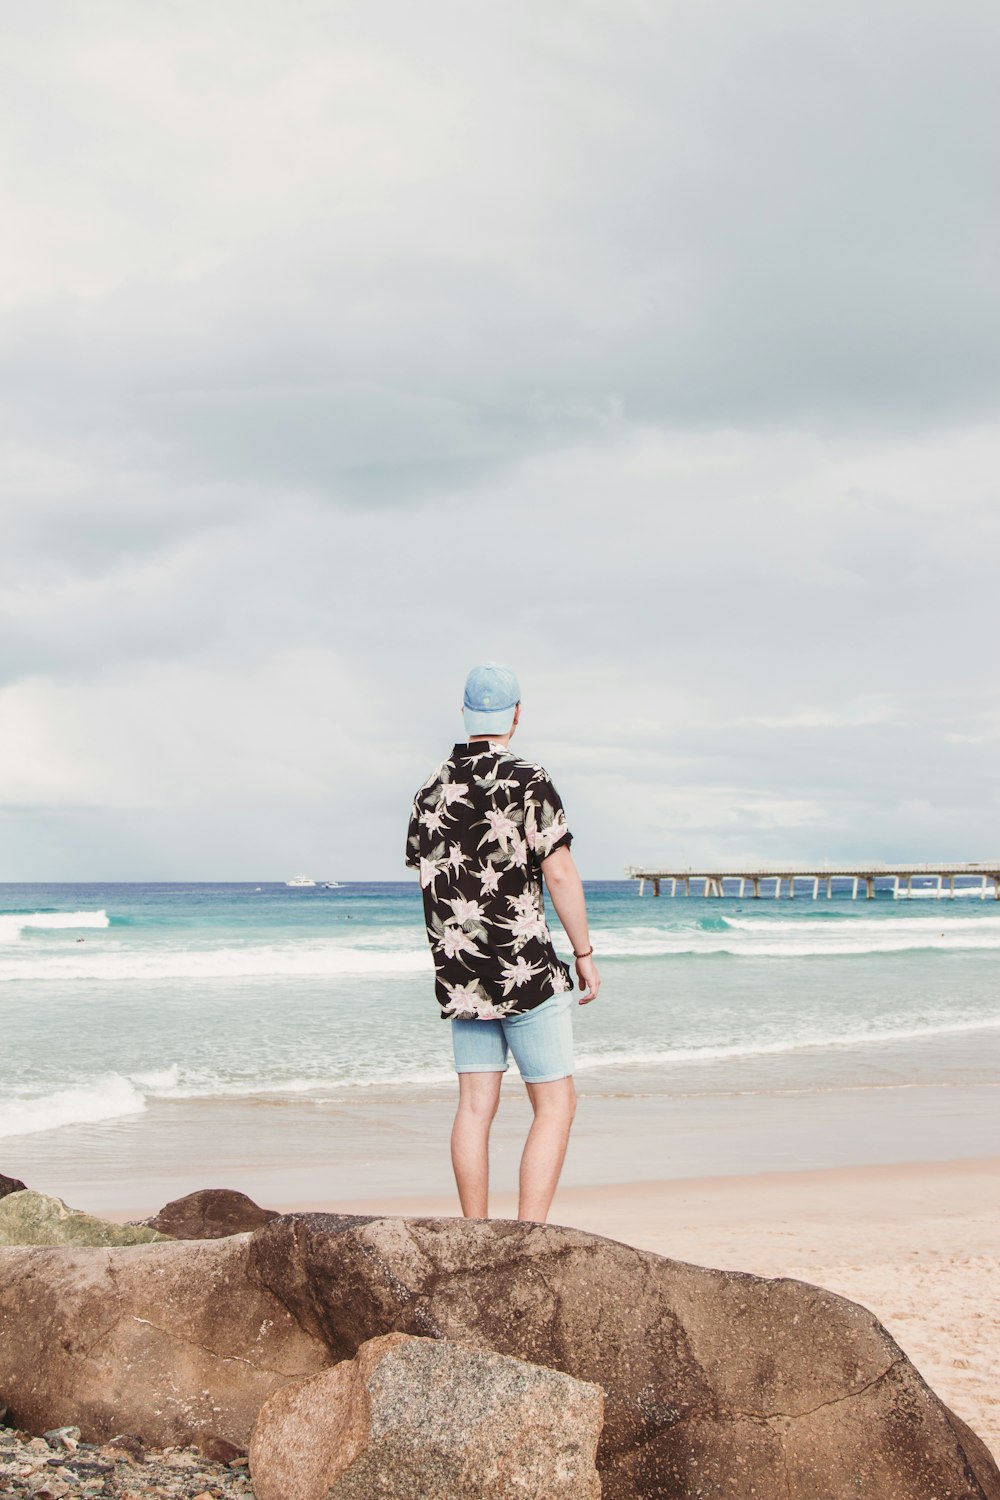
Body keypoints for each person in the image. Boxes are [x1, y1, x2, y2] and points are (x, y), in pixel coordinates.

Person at [406, 662, 601, 1223]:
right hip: (528, 972)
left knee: (473, 1108)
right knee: (555, 1104)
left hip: (462, 973)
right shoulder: (528, 780)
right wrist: (583, 954)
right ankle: (528, 1236)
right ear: (515, 715)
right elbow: (559, 873)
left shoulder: (430, 789)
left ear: (464, 713)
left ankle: (475, 1232)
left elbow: (432, 875)